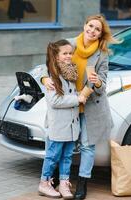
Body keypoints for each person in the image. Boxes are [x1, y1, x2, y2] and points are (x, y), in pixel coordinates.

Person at [41, 14, 118, 199]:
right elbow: (48, 64)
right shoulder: (68, 45)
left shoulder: (102, 54)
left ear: (101, 34)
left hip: (90, 107)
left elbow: (103, 86)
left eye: (97, 29)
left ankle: (82, 184)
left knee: (86, 147)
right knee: (61, 146)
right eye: (90, 26)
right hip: (67, 105)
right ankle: (55, 182)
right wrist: (44, 78)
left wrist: (97, 82)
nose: (92, 31)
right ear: (84, 26)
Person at [38, 39, 87, 199]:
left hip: (72, 126)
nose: (68, 56)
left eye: (70, 53)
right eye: (64, 53)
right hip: (58, 125)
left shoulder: (70, 72)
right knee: (52, 156)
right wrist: (77, 99)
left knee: (67, 157)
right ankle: (44, 183)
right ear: (56, 56)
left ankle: (64, 183)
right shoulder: (52, 76)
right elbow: (55, 101)